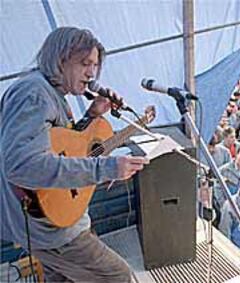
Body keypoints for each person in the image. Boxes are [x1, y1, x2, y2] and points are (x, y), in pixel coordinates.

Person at [0, 27, 150, 283]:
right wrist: (107, 168)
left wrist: (91, 117)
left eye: (95, 65)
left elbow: (58, 145)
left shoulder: (48, 92)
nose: (92, 73)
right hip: (50, 230)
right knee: (119, 277)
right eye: (84, 63)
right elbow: (21, 165)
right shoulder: (34, 94)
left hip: (50, 224)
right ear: (60, 59)